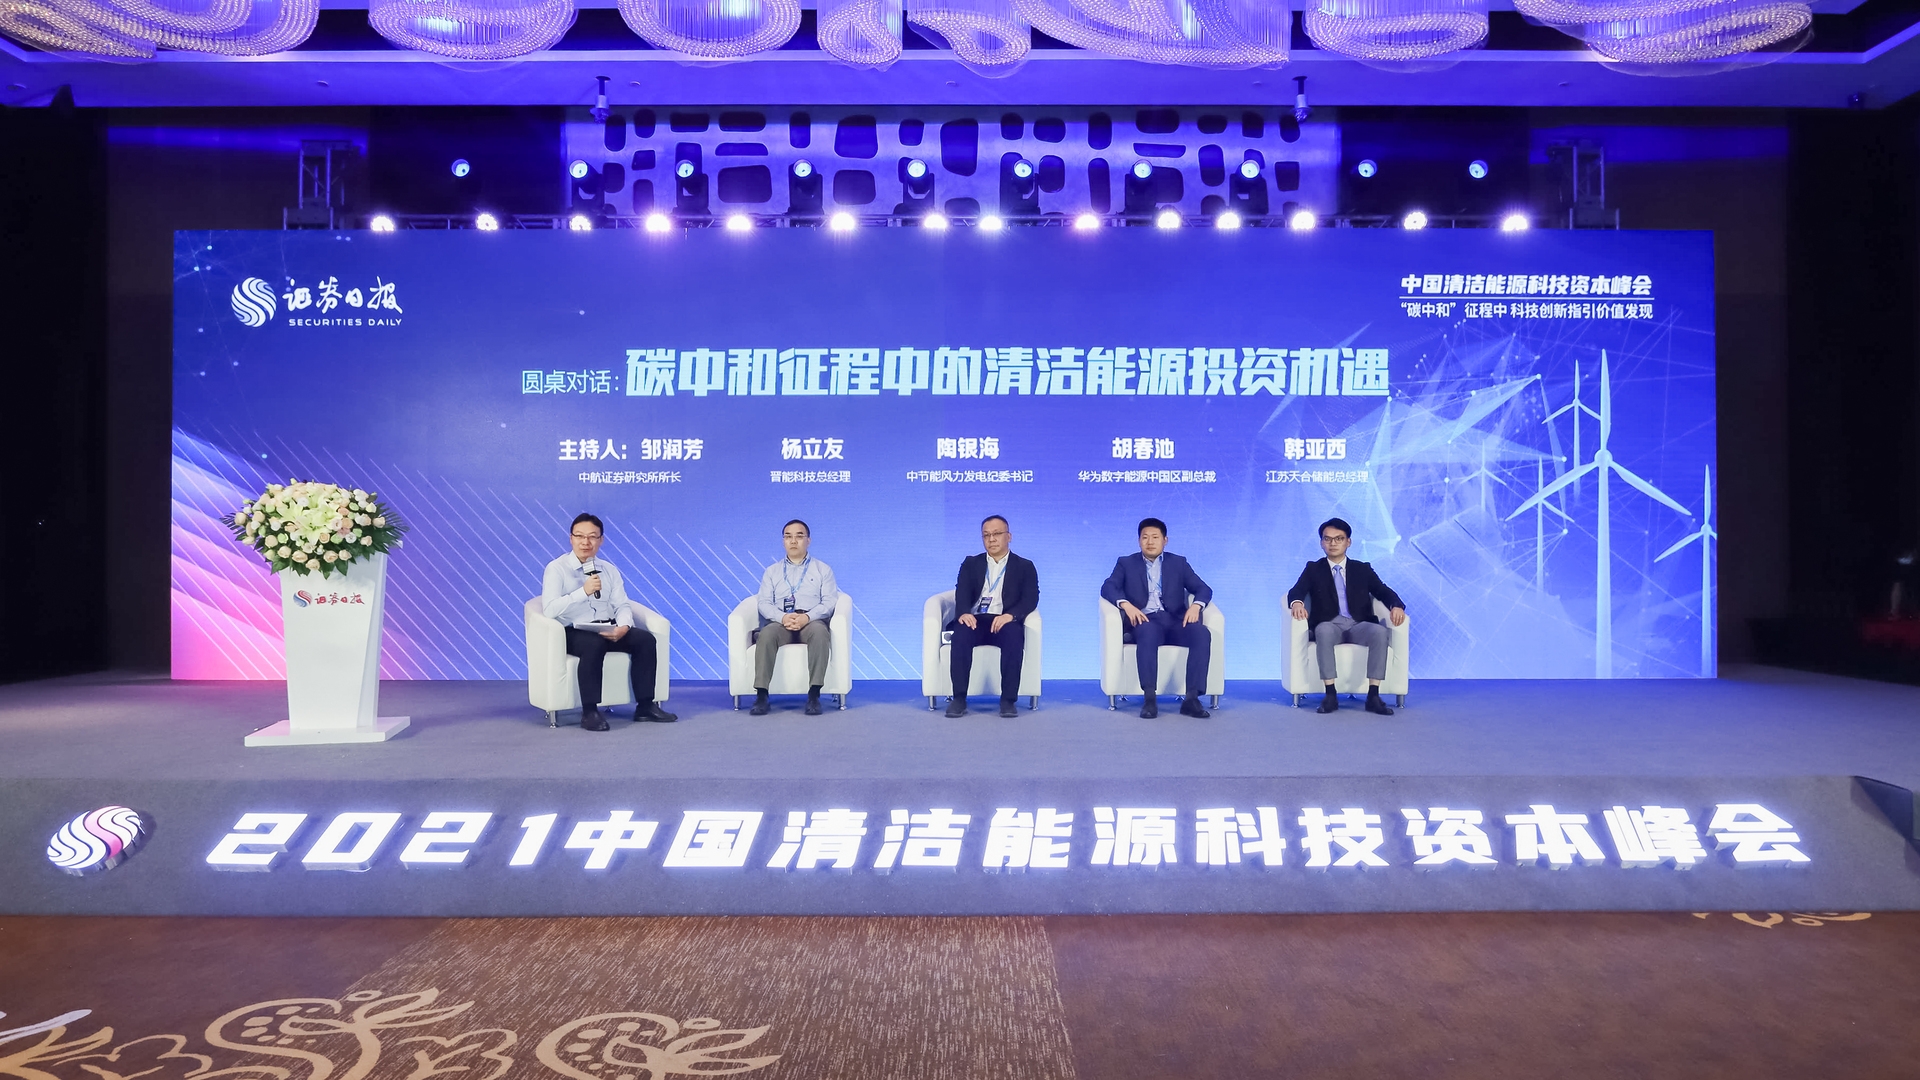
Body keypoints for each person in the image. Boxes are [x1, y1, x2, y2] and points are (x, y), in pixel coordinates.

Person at [540, 513, 677, 732]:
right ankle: (590, 712)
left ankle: (645, 706)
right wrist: (582, 592)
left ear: (601, 540)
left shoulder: (609, 570)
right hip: (573, 630)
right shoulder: (556, 569)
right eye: (580, 536)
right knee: (593, 644)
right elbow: (550, 609)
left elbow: (622, 604)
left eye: (592, 537)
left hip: (606, 626)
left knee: (645, 640)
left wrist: (623, 626)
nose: (586, 542)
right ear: (571, 538)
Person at [1287, 516, 1407, 716]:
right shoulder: (1313, 568)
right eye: (1327, 539)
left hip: (1358, 624)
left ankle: (1373, 696)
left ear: (1348, 542)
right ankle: (1330, 694)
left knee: (1379, 632)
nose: (1333, 543)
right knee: (1323, 630)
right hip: (1329, 624)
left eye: (1339, 538)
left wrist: (1396, 606)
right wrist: (1297, 603)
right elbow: (1296, 591)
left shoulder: (1362, 569)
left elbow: (1382, 591)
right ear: (1321, 543)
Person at [1100, 517, 1214, 718]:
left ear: (1165, 540)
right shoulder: (1126, 563)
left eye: (1155, 537)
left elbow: (1203, 588)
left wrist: (1196, 606)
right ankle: (1149, 699)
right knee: (1148, 633)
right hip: (1146, 621)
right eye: (1145, 537)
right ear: (1139, 541)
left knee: (1201, 633)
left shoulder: (1178, 563)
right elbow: (1108, 587)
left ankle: (1192, 699)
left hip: (1176, 620)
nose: (1150, 542)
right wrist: (1126, 604)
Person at [944, 514, 1040, 718]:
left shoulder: (1025, 566)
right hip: (976, 620)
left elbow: (1031, 598)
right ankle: (959, 699)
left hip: (1003, 620)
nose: (991, 539)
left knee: (1014, 636)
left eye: (997, 534)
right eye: (986, 535)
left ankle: (1008, 701)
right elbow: (961, 591)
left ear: (1009, 536)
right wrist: (963, 612)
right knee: (961, 634)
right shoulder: (971, 563)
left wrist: (1011, 615)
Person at [750, 519, 838, 716]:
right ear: (783, 541)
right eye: (788, 536)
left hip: (811, 621)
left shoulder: (823, 570)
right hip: (781, 621)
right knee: (766, 634)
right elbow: (764, 602)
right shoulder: (771, 571)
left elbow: (829, 601)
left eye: (799, 536)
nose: (793, 541)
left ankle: (814, 695)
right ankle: (762, 696)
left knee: (820, 633)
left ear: (808, 541)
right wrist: (782, 617)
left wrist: (807, 617)